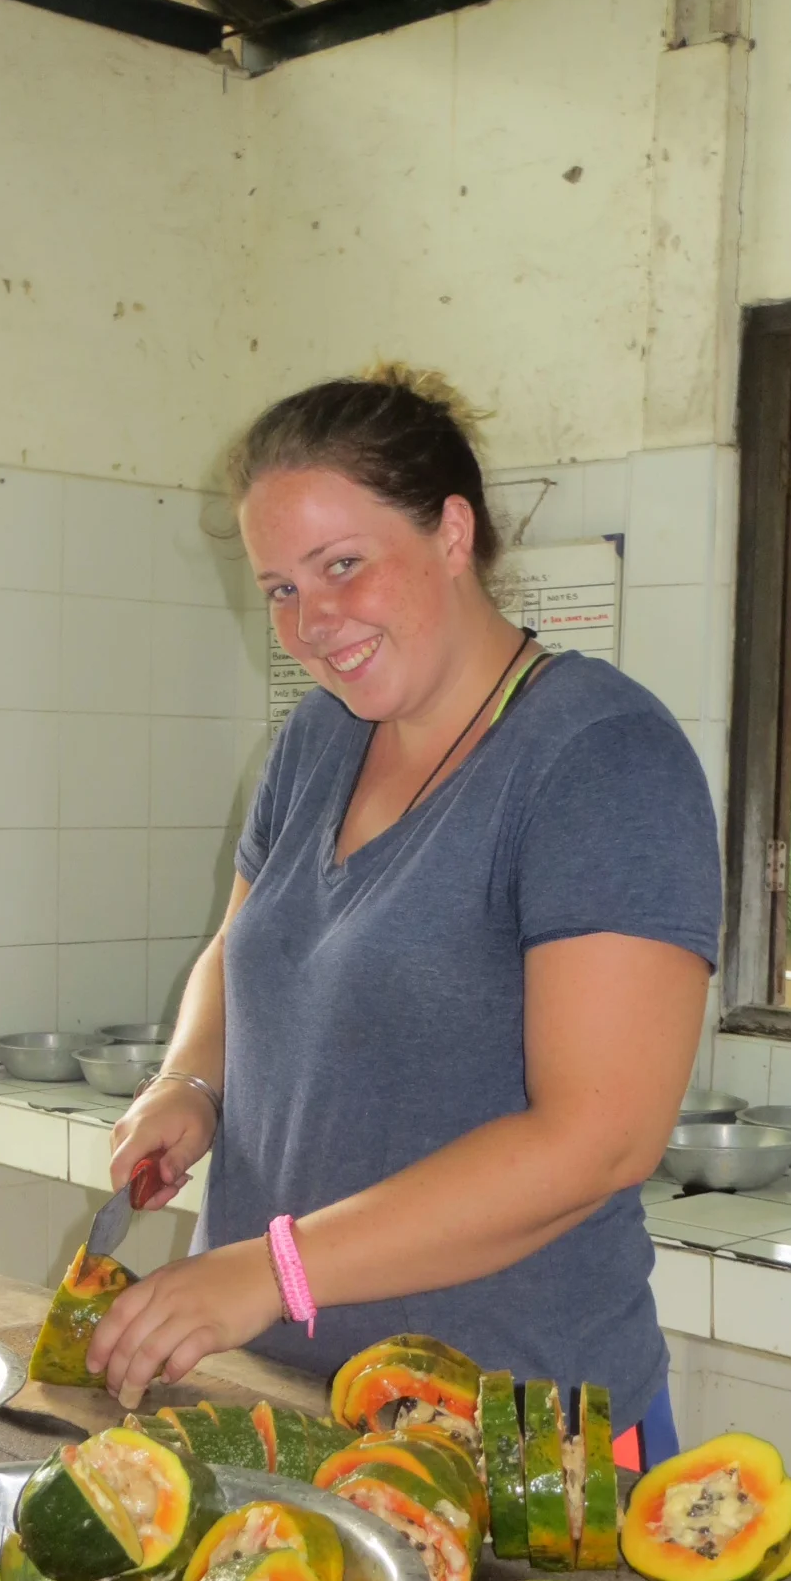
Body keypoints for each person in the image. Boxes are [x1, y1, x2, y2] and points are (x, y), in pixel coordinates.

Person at [88, 366, 721, 1469]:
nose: (312, 620)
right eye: (279, 587)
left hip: (515, 1439)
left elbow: (599, 1140)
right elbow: (238, 954)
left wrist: (273, 1266)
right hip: (282, 1398)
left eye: (343, 566)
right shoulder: (318, 739)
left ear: (451, 532)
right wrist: (189, 1081)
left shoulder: (599, 758)